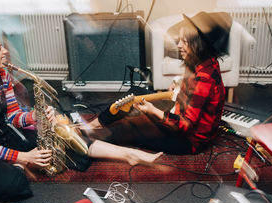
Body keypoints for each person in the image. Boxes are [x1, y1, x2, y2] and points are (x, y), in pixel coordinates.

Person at [0, 17, 162, 202]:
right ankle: (18, 168)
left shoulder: (3, 75)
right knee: (14, 186)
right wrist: (23, 158)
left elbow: (14, 116)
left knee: (67, 135)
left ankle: (130, 154)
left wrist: (35, 116)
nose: (5, 51)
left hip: (8, 135)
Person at [83, 12, 231, 155]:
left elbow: (185, 126)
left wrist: (152, 111)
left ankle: (83, 141)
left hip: (189, 141)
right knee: (135, 93)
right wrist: (178, 83)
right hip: (178, 114)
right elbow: (195, 88)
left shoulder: (204, 80)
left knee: (129, 128)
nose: (179, 45)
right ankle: (96, 124)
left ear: (199, 45)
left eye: (184, 41)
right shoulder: (203, 62)